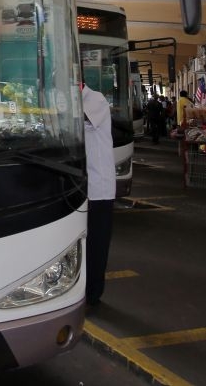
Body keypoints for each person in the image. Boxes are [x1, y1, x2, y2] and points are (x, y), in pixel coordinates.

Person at [82, 83, 116, 307]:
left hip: (99, 188)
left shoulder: (95, 99)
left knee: (97, 243)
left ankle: (94, 292)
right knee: (85, 243)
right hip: (85, 186)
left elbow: (77, 120)